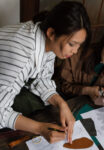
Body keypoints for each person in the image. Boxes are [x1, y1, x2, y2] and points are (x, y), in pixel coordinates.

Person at [0, 1, 91, 144]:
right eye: (72, 44)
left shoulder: (45, 39)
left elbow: (41, 78)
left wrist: (62, 104)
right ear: (51, 33)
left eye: (79, 45)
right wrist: (40, 128)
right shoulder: (22, 56)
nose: (75, 51)